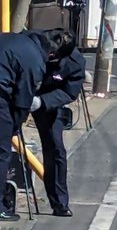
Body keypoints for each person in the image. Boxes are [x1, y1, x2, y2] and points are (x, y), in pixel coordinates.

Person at [0, 29, 63, 222]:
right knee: (0, 151)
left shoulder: (12, 38)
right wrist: (15, 125)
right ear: (51, 53)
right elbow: (23, 100)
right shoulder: (35, 60)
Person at [31, 29, 86, 217]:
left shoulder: (75, 63)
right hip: (21, 88)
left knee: (56, 149)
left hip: (47, 101)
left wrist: (42, 102)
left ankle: (60, 203)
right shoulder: (32, 42)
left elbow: (70, 92)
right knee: (2, 141)